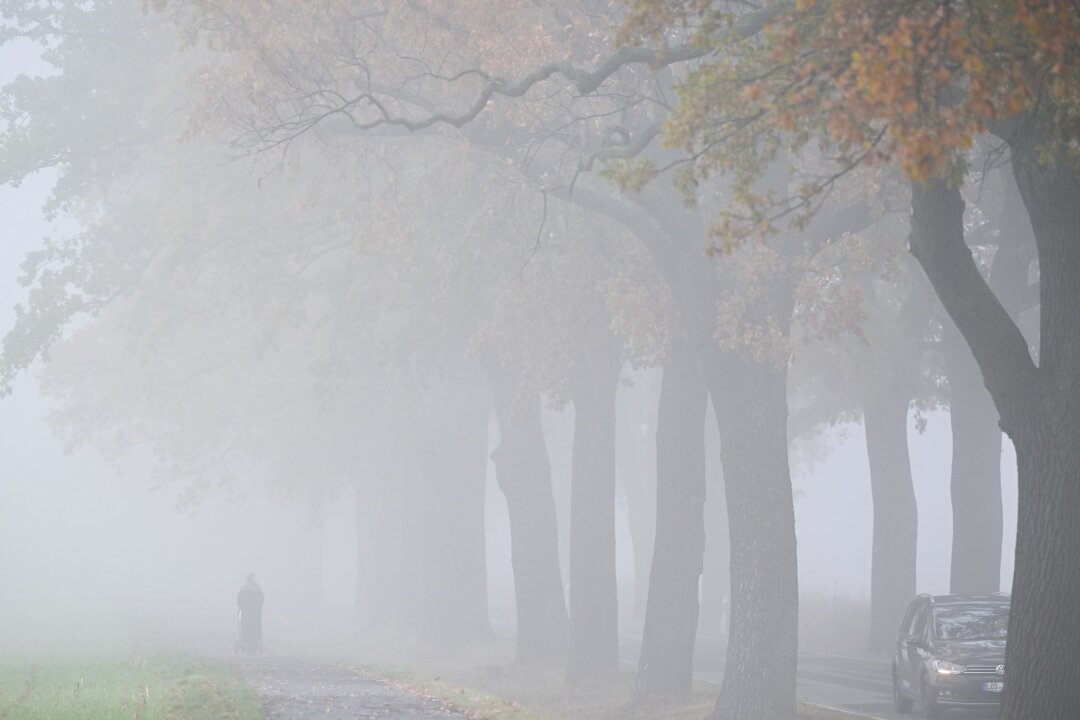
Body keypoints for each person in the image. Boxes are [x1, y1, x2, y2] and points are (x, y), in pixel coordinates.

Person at [236, 573, 264, 653]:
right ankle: (255, 641)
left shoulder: (243, 588)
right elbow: (261, 600)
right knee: (256, 626)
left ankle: (245, 640)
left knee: (244, 625)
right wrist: (259, 607)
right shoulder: (258, 588)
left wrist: (241, 607)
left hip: (245, 612)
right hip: (255, 612)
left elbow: (239, 600)